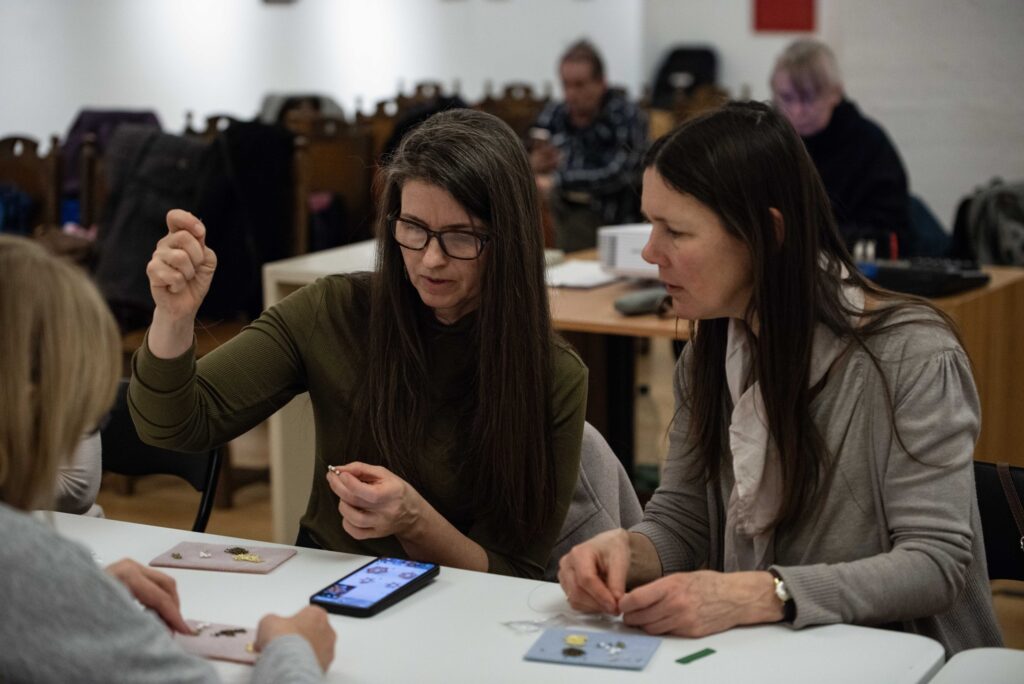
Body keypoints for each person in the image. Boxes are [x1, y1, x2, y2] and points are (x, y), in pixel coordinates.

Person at [557, 102, 1003, 656]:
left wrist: (759, 593)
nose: (650, 252)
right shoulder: (707, 356)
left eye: (675, 231)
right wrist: (625, 550)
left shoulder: (912, 357)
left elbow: (935, 566)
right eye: (651, 224)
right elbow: (684, 520)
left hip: (906, 659)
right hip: (776, 653)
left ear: (767, 234)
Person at [130, 109, 588, 579]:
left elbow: (513, 575)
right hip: (328, 581)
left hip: (460, 603)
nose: (431, 259)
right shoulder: (335, 310)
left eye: (461, 236)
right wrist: (173, 317)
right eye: (413, 228)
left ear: (508, 238)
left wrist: (414, 521)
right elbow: (173, 425)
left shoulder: (553, 375)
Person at [0, 235, 335, 682]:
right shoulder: (23, 562)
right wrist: (294, 650)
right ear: (35, 406)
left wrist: (72, 596)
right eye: (82, 413)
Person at [770, 39, 911, 258]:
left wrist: (801, 237)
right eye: (786, 98)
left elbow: (889, 238)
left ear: (835, 93)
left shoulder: (869, 145)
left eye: (808, 98)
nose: (796, 111)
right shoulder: (772, 141)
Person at [531, 39, 648, 253]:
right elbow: (530, 149)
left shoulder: (625, 115)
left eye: (579, 85)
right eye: (565, 85)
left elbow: (618, 173)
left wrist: (559, 180)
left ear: (601, 82)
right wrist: (535, 162)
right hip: (555, 206)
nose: (571, 94)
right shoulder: (556, 112)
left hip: (606, 214)